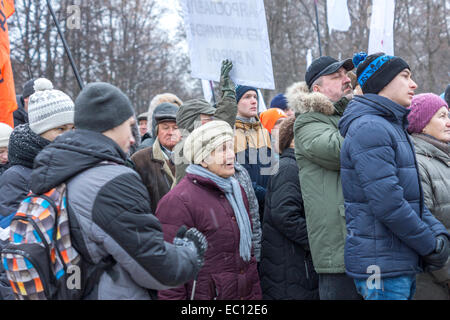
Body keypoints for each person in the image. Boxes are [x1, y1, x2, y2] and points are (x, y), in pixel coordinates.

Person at [31, 82, 207, 300]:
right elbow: (157, 267)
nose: (133, 138)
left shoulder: (57, 169)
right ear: (112, 125)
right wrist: (189, 253)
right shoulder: (111, 181)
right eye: (130, 125)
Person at [338, 52, 450, 300]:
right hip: (381, 268)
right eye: (405, 76)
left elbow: (413, 199)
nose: (414, 84)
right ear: (382, 81)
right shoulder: (370, 128)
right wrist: (429, 244)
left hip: (396, 263)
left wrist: (439, 233)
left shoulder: (389, 126)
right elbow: (388, 204)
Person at [156, 120, 262, 300]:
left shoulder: (236, 190)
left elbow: (248, 260)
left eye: (231, 147)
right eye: (222, 150)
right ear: (203, 159)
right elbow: (169, 275)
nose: (231, 156)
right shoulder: (178, 202)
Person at [174, 60, 262, 262]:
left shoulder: (206, 146)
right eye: (207, 121)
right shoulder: (186, 151)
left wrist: (228, 95)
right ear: (192, 123)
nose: (213, 127)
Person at [287, 55, 359, 300]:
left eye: (345, 74)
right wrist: (361, 109)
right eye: (336, 76)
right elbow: (341, 151)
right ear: (317, 89)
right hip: (337, 250)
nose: (345, 79)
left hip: (359, 241)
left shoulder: (344, 114)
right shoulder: (307, 121)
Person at [260, 116, 319, 300]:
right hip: (290, 266)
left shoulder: (297, 165)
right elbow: (285, 215)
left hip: (295, 264)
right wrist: (317, 241)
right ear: (294, 139)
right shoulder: (288, 168)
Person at [0, 78, 75, 218]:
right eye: (60, 128)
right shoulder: (16, 177)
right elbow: (9, 229)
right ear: (39, 131)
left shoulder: (76, 163)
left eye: (73, 128)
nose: (69, 136)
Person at [406, 93, 450, 300]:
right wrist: (446, 274)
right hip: (433, 281)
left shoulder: (443, 157)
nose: (449, 122)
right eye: (441, 116)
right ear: (422, 124)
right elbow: (423, 224)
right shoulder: (416, 163)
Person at [132, 103, 181, 213]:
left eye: (175, 128)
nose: (170, 132)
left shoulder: (192, 159)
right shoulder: (139, 160)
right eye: (165, 127)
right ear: (156, 131)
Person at [234, 85, 273, 222]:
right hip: (245, 207)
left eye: (255, 97)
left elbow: (271, 168)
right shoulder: (229, 133)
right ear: (236, 102)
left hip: (269, 207)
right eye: (247, 97)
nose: (253, 101)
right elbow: (237, 175)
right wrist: (266, 195)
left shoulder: (264, 131)